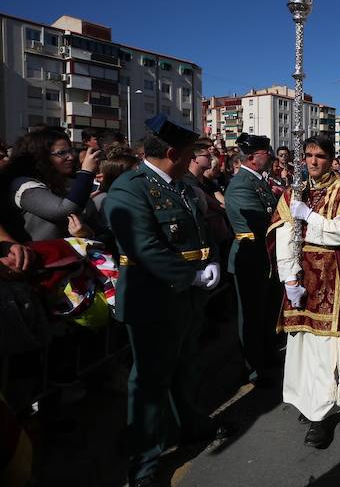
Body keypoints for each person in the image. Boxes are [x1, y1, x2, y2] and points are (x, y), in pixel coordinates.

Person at [104, 115, 224, 487]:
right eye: (190, 153)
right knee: (150, 382)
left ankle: (192, 426)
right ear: (172, 152)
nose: (194, 160)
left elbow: (202, 229)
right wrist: (190, 274)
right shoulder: (130, 189)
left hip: (188, 297)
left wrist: (212, 261)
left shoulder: (183, 185)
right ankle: (144, 463)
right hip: (153, 299)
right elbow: (143, 247)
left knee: (186, 365)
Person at [268, 135, 340, 449]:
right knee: (300, 346)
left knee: (326, 351)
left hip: (331, 277)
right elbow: (284, 233)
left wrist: (309, 216)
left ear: (332, 159)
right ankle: (306, 401)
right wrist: (289, 279)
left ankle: (321, 415)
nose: (313, 161)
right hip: (301, 276)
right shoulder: (294, 191)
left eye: (320, 156)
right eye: (308, 155)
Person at [225, 132, 281, 385]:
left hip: (264, 256)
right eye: (264, 152)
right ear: (251, 158)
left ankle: (266, 355)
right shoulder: (241, 185)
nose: (269, 155)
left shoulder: (257, 180)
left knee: (266, 311)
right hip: (250, 257)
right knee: (251, 315)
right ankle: (254, 368)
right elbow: (262, 221)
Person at [4, 127, 106, 242]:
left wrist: (87, 233)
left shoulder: (66, 182)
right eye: (62, 153)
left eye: (70, 151)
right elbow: (64, 211)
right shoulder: (22, 185)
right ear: (41, 157)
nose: (71, 157)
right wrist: (86, 172)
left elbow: (97, 227)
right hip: (41, 257)